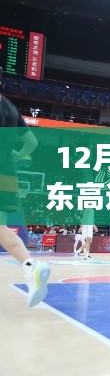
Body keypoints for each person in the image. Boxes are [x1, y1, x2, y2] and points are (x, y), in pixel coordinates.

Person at [0, 73, 50, 307]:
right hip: (8, 173)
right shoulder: (9, 106)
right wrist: (17, 156)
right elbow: (32, 143)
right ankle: (32, 267)